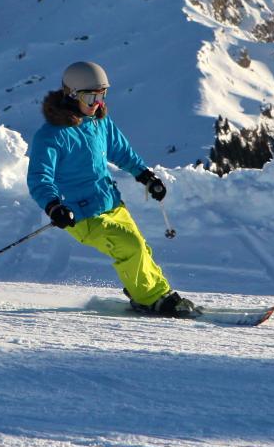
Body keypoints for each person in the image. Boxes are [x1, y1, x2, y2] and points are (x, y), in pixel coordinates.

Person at [27, 60, 199, 318]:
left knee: (139, 247)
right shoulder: (52, 135)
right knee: (129, 246)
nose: (97, 102)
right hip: (81, 214)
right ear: (72, 94)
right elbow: (40, 177)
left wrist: (145, 176)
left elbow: (121, 151)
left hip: (111, 202)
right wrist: (54, 206)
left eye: (102, 94)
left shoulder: (98, 122)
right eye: (91, 96)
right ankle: (149, 298)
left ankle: (155, 292)